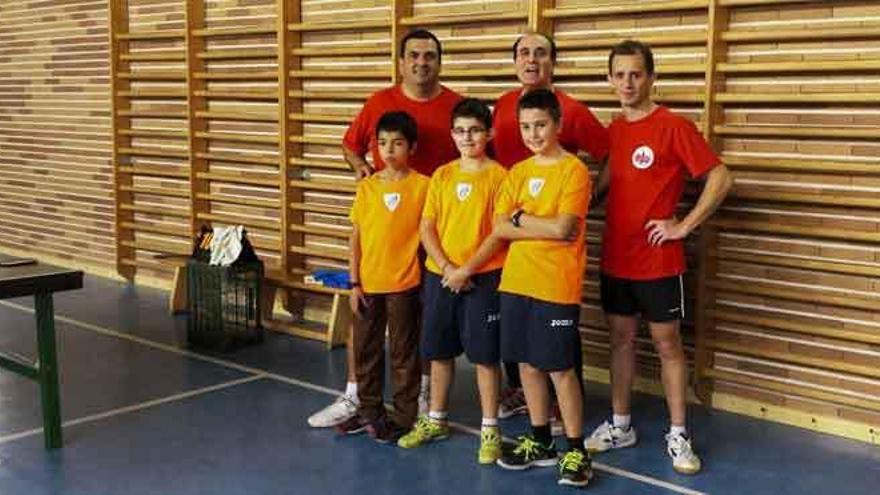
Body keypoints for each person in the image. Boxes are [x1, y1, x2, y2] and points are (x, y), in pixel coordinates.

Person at [584, 40, 733, 475]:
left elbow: (721, 177)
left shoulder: (674, 126)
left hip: (659, 263)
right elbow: (606, 185)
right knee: (621, 341)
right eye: (620, 75)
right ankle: (621, 424)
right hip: (615, 259)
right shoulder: (613, 130)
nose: (628, 82)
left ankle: (679, 433)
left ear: (650, 77)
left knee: (668, 345)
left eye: (636, 74)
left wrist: (684, 225)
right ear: (610, 80)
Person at [308, 29, 462, 429]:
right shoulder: (379, 102)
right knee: (367, 327)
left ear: (439, 62)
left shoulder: (456, 107)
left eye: (430, 56)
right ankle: (356, 394)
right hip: (384, 234)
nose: (421, 62)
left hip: (435, 234)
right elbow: (350, 146)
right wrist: (359, 167)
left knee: (420, 326)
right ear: (401, 62)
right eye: (413, 55)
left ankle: (421, 394)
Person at [448, 89, 593, 487]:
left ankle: (577, 451)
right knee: (527, 364)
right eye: (526, 126)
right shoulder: (518, 172)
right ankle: (542, 438)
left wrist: (520, 219)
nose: (533, 133)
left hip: (556, 284)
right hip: (516, 282)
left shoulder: (573, 171)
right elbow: (498, 227)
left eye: (541, 125)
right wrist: (530, 224)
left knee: (560, 369)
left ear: (558, 125)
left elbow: (565, 229)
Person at [491, 32, 609, 422]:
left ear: (552, 62)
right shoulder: (505, 107)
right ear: (514, 62)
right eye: (524, 53)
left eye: (540, 53)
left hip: (553, 240)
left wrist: (587, 202)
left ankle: (562, 407)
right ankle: (523, 395)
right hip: (516, 241)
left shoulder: (572, 110)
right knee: (518, 331)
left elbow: (609, 155)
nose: (531, 60)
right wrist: (514, 220)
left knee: (556, 336)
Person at [396, 98, 507, 465]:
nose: (467, 137)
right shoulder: (442, 175)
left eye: (474, 130)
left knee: (484, 356)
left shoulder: (499, 176)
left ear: (488, 133)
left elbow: (499, 234)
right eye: (459, 131)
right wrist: (445, 267)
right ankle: (435, 420)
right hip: (440, 277)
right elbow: (427, 226)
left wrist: (466, 270)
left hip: (483, 277)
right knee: (438, 351)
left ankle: (490, 428)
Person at [339, 111, 430, 443]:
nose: (388, 150)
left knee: (404, 353)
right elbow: (356, 236)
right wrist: (354, 282)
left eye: (397, 143)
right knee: (366, 350)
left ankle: (405, 417)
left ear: (412, 147)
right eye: (381, 143)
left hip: (405, 285)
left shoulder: (423, 186)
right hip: (367, 285)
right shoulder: (368, 188)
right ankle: (368, 411)